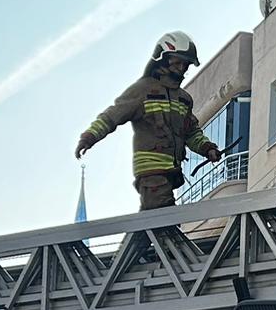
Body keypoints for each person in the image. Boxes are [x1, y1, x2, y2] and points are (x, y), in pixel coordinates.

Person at [75, 31, 222, 210]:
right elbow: (112, 116)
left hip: (172, 171)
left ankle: (142, 230)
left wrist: (207, 149)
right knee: (164, 215)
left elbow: (191, 132)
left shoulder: (184, 99)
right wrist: (89, 137)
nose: (181, 68)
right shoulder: (143, 90)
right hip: (151, 172)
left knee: (155, 217)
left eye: (185, 64)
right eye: (177, 62)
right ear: (162, 58)